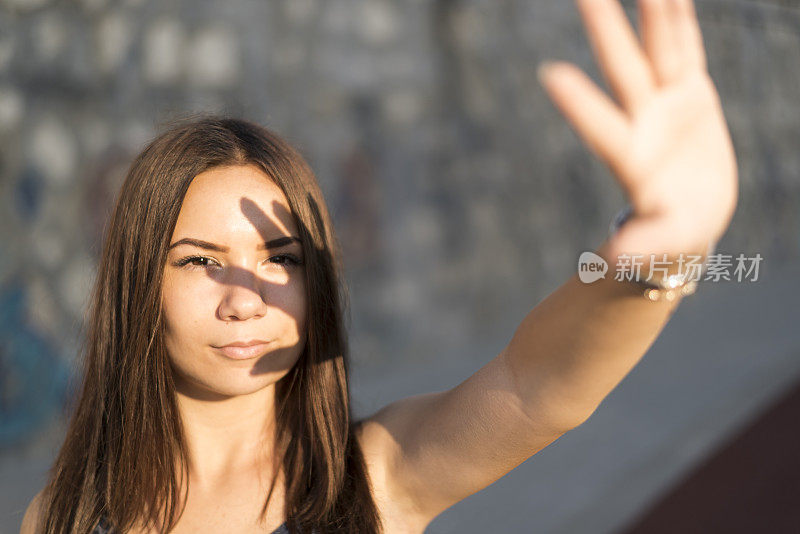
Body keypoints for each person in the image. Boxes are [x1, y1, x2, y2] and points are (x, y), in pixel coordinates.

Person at [21, 0, 738, 532]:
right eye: (203, 261)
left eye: (281, 260)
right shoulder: (65, 513)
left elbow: (535, 389)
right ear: (140, 285)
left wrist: (663, 250)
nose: (246, 301)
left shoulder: (374, 478)